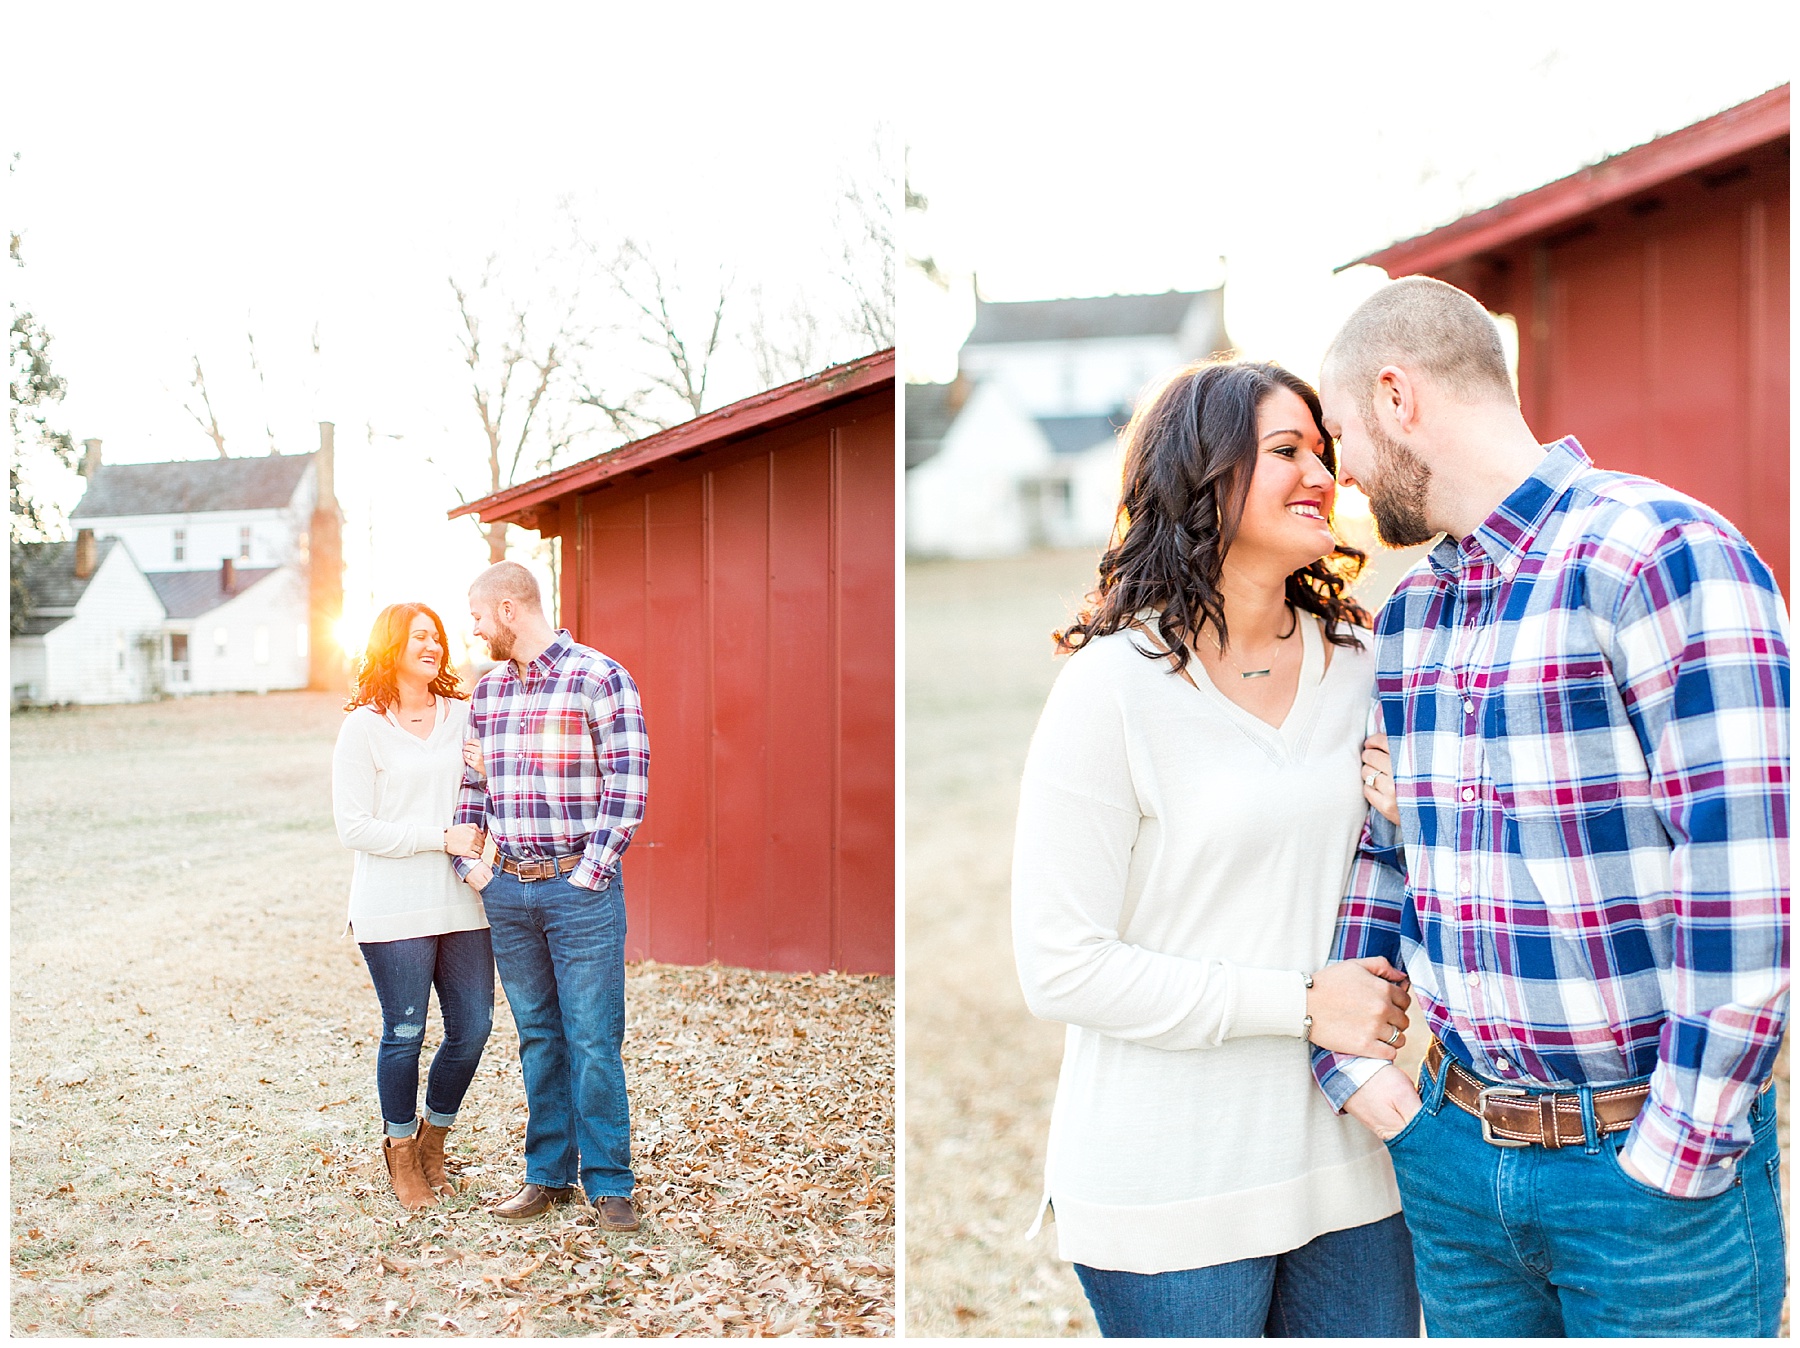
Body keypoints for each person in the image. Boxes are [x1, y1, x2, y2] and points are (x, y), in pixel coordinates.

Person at [1311, 275, 1788, 1337]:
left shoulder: (1662, 557)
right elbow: (1384, 853)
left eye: (1339, 433)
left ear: (1398, 396)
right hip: (1455, 1168)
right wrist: (1352, 1068)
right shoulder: (1409, 616)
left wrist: (1677, 1150)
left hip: (1647, 1184)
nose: (1340, 476)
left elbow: (1749, 878)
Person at [1012, 360, 1422, 1338]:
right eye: (1286, 449)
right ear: (1202, 474)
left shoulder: (1366, 666)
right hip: (1170, 1186)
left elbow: (1414, 875)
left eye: (1323, 450)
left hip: (1354, 1172)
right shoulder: (1113, 689)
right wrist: (1299, 1003)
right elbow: (1059, 966)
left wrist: (1425, 815)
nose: (1320, 471)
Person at [451, 561, 649, 1231]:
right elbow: (472, 791)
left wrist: (587, 876)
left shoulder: (599, 678)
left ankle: (610, 1181)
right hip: (507, 891)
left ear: (508, 610)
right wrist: (474, 870)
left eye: (477, 617)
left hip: (579, 890)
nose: (473, 630)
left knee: (593, 1038)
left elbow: (627, 789)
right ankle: (548, 1176)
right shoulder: (487, 695)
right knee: (538, 1037)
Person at [332, 602, 493, 1210]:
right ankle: (400, 1152)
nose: (432, 644)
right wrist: (435, 837)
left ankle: (434, 1139)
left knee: (473, 1028)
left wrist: (493, 769)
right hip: (391, 905)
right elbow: (354, 827)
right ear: (391, 646)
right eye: (419, 636)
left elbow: (489, 790)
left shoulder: (463, 715)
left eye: (438, 637)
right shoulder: (364, 727)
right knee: (404, 1032)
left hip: (461, 900)